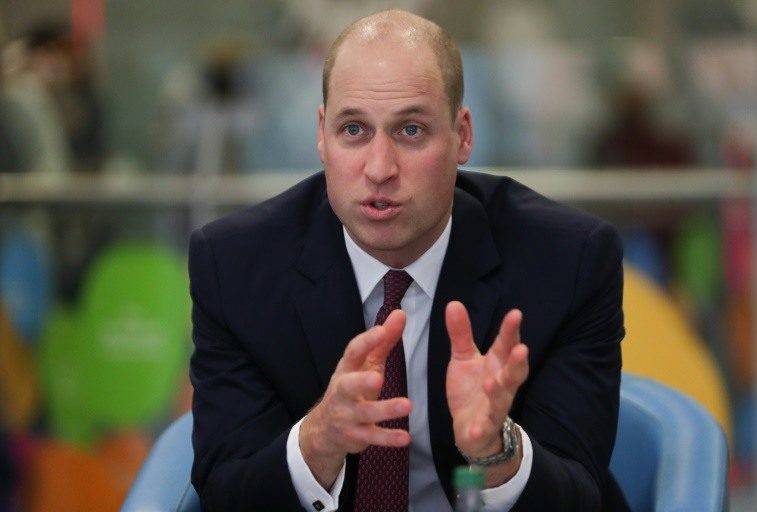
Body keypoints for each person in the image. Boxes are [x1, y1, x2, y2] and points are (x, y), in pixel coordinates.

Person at [189, 9, 628, 511]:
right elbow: (226, 491)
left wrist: (495, 450)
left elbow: (581, 494)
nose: (379, 168)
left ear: (463, 135)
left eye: (411, 130)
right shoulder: (234, 266)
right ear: (321, 134)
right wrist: (319, 440)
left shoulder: (568, 262)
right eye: (354, 129)